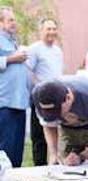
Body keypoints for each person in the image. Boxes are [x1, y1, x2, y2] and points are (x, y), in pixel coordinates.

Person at [27, 18, 64, 167]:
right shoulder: (34, 49)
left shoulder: (58, 51)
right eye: (48, 29)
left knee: (54, 130)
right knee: (39, 134)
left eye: (54, 29)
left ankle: (54, 160)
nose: (52, 32)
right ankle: (40, 165)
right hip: (40, 96)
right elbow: (29, 72)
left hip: (56, 97)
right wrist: (40, 88)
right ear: (40, 31)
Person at [0, 7, 28, 167]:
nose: (14, 23)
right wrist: (12, 58)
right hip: (5, 103)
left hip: (19, 103)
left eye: (14, 20)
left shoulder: (13, 41)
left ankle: (14, 180)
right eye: (10, 20)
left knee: (17, 148)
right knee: (6, 148)